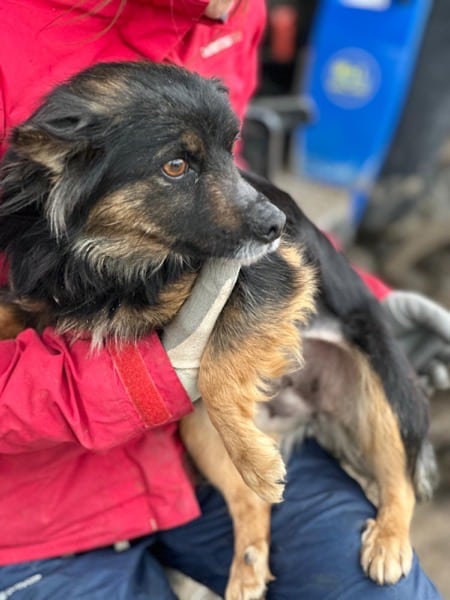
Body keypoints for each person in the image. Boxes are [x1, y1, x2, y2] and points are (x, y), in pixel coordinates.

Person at [0, 1, 448, 598]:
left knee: (387, 592)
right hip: (37, 512)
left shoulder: (232, 13)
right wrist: (144, 380)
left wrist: (358, 298)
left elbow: (232, 190)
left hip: (207, 448)